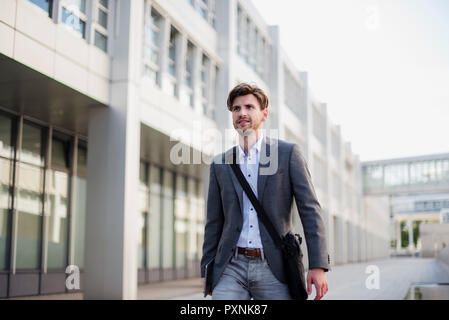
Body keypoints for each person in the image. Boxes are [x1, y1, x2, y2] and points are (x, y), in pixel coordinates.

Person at [201, 83, 330, 300]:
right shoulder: (220, 163)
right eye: (236, 108)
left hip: (274, 267)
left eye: (249, 107)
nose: (242, 113)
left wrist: (318, 265)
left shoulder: (288, 154)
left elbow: (310, 209)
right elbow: (214, 222)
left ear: (264, 114)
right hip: (230, 267)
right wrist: (208, 268)